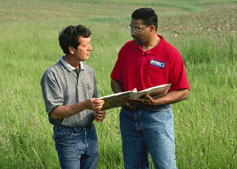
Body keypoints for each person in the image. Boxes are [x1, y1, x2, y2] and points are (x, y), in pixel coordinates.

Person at [110, 8, 190, 169]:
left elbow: (183, 91)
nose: (132, 33)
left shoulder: (170, 53)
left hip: (157, 117)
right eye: (131, 28)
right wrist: (122, 98)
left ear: (152, 28)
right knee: (133, 166)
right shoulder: (127, 49)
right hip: (129, 117)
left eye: (137, 29)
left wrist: (158, 101)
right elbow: (115, 80)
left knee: (165, 165)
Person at [41, 24, 106, 169]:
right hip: (67, 137)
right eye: (86, 45)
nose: (90, 48)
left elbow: (94, 103)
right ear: (71, 49)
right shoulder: (52, 74)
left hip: (90, 133)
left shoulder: (89, 71)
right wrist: (85, 105)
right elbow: (55, 112)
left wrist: (99, 113)